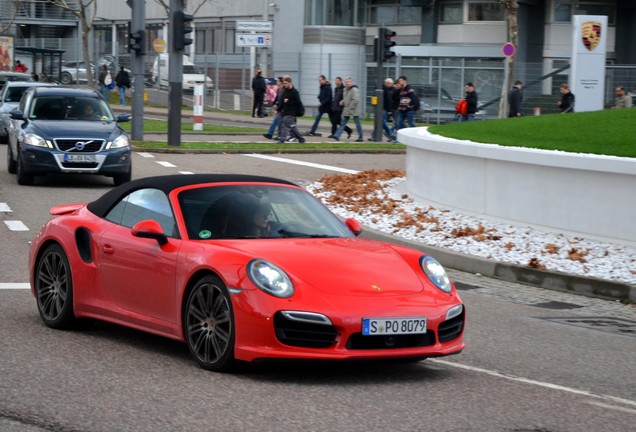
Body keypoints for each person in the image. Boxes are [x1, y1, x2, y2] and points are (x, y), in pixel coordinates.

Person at [331, 77, 363, 142]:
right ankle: (337, 136)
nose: (346, 83)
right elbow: (346, 98)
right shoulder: (345, 89)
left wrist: (350, 107)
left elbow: (355, 100)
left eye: (348, 82)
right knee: (343, 123)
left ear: (351, 82)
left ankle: (360, 137)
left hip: (354, 109)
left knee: (357, 124)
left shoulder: (354, 89)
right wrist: (342, 102)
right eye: (346, 82)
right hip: (347, 109)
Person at [277, 76, 305, 143]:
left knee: (284, 124)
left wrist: (288, 101)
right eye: (284, 83)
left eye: (286, 83)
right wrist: (278, 109)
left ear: (290, 83)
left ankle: (282, 140)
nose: (284, 85)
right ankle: (301, 139)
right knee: (292, 127)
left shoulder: (294, 92)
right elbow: (282, 101)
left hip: (292, 112)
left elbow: (298, 102)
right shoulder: (285, 91)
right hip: (285, 111)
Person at [382, 77, 398, 142]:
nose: (387, 84)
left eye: (389, 83)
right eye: (386, 83)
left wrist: (390, 110)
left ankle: (391, 134)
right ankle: (391, 134)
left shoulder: (394, 90)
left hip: (392, 108)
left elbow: (391, 100)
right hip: (385, 108)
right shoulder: (384, 89)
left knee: (397, 123)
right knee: (383, 122)